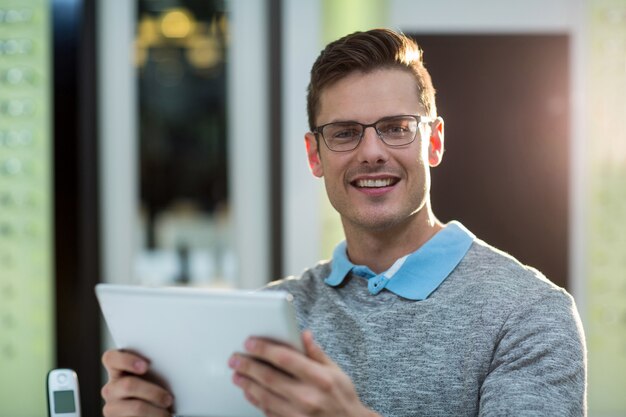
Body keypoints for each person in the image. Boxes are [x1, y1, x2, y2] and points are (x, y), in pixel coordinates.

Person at [101, 28, 587, 417]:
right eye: (345, 133)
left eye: (396, 129)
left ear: (434, 142)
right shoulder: (271, 316)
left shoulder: (530, 316)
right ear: (315, 155)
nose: (371, 152)